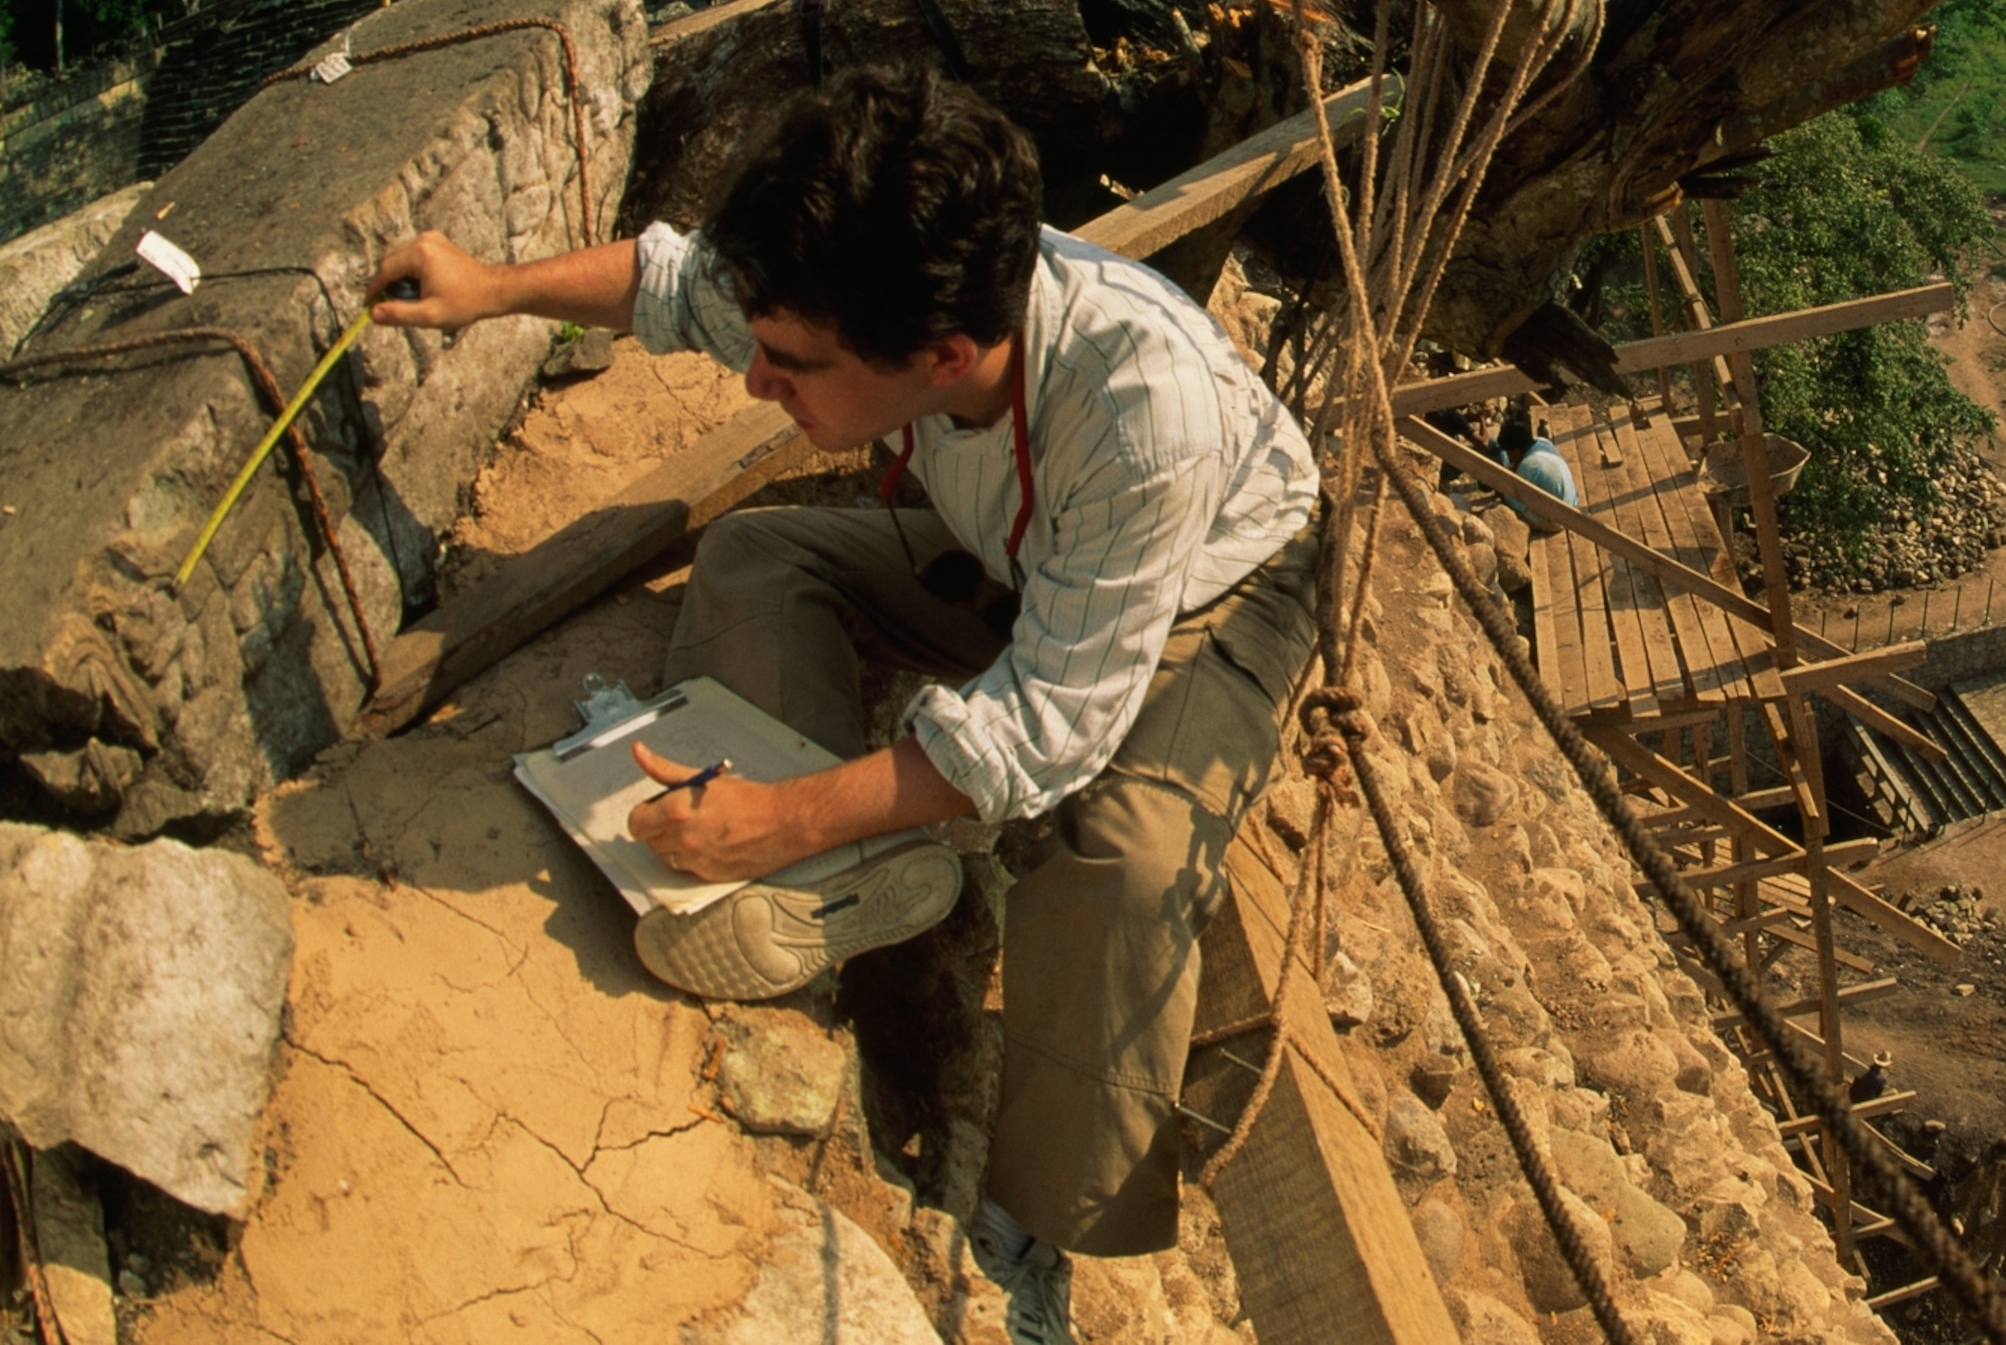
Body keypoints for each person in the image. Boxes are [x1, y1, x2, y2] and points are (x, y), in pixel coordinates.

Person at [368, 68, 1319, 1345]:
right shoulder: (872, 274)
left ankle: (1038, 1232)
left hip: (1217, 579)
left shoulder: (1139, 416)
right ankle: (849, 878)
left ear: (940, 358)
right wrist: (490, 289)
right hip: (1025, 549)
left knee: (1125, 858)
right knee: (762, 559)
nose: (758, 383)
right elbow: (669, 282)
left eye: (791, 365)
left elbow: (1046, 725)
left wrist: (775, 819)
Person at [1492, 405, 1575, 533]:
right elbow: (1520, 463)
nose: (1508, 456)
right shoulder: (1542, 442)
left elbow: (1516, 504)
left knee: (1508, 509)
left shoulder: (1528, 466)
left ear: (1516, 451)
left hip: (1556, 522)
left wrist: (1499, 488)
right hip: (1571, 503)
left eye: (1508, 452)